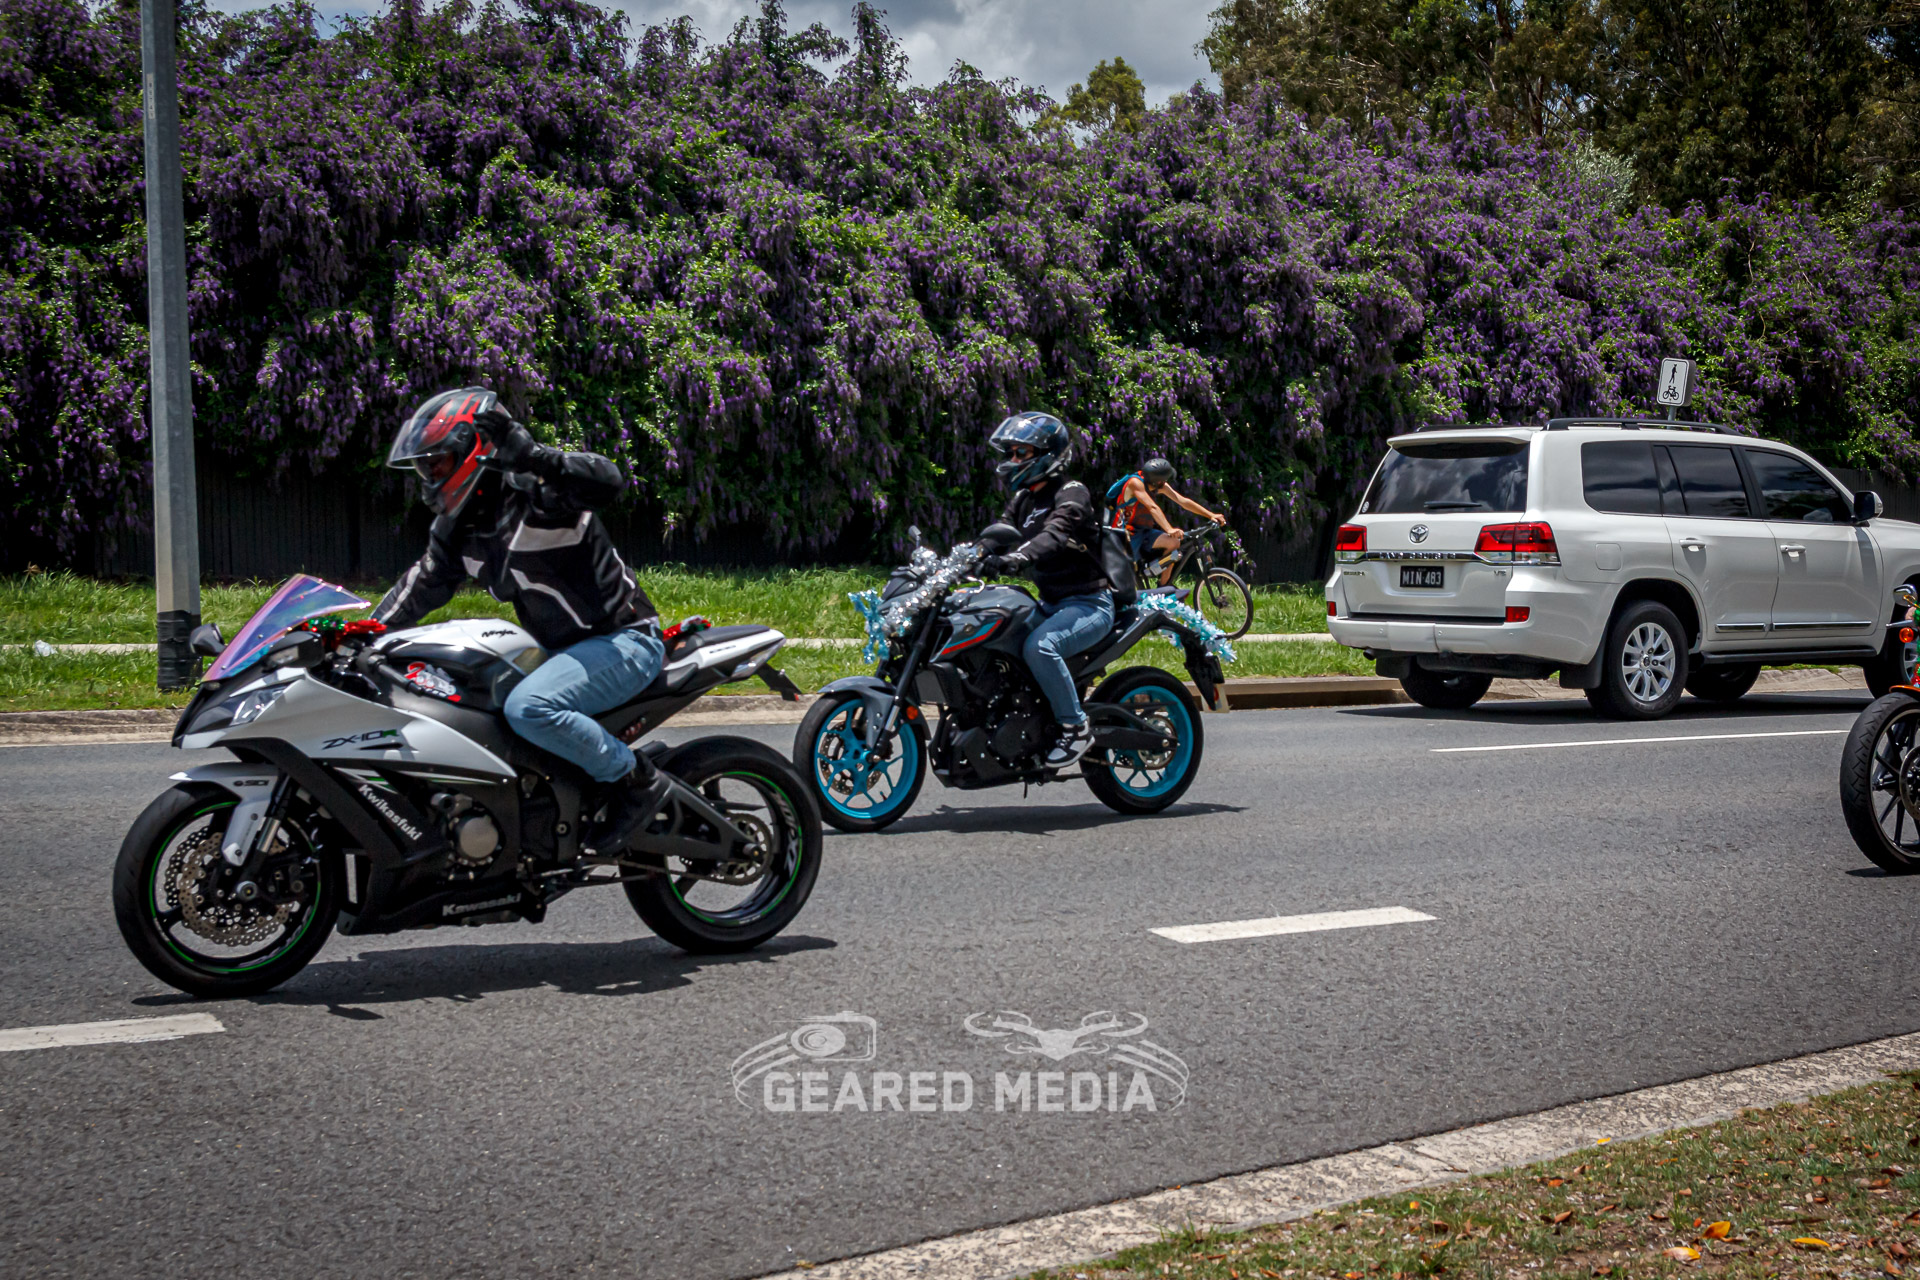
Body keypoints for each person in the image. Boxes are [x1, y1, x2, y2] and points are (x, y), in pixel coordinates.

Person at [376, 387, 669, 851]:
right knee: (466, 701)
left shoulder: (540, 496)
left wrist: (535, 457)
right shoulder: (459, 528)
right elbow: (420, 587)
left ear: (471, 452)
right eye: (424, 467)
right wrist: (364, 634)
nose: (430, 477)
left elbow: (609, 481)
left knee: (530, 709)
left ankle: (637, 783)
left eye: (438, 463)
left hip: (624, 640)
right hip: (556, 652)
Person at [981, 411, 1113, 769]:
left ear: (1047, 454)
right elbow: (998, 533)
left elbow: (1055, 533)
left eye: (1021, 452)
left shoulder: (1072, 492)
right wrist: (972, 556)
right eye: (1010, 452)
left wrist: (1018, 557)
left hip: (1089, 604)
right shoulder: (1024, 499)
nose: (1013, 460)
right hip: (1050, 603)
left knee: (1040, 647)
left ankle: (1075, 727)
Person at [1106, 458, 1226, 586]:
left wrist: (1211, 515)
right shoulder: (1135, 483)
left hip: (1143, 530)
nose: (1165, 482)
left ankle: (1163, 587)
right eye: (1164, 479)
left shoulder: (1157, 485)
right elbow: (1152, 507)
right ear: (1157, 481)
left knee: (1173, 542)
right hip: (1125, 534)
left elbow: (1183, 501)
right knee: (1121, 576)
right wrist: (1169, 529)